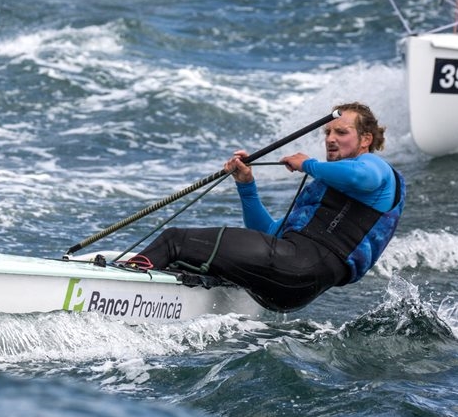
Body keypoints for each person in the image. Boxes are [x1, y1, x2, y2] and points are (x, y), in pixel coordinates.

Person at [132, 102, 405, 311]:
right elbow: (270, 234)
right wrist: (246, 186)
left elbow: (361, 177)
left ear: (366, 139)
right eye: (328, 132)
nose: (330, 138)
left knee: (175, 241)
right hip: (291, 289)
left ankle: (125, 281)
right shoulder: (326, 185)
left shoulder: (376, 169)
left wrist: (307, 164)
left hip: (299, 267)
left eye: (341, 132)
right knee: (188, 260)